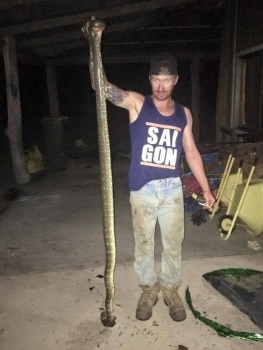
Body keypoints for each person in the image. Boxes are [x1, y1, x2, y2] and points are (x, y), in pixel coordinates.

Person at [83, 17, 215, 322]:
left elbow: (192, 152)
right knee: (143, 245)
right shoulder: (137, 104)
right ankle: (148, 290)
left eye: (166, 80)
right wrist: (94, 44)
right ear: (150, 78)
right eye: (156, 78)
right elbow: (99, 87)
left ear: (176, 81)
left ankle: (170, 290)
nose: (160, 85)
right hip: (142, 189)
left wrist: (206, 189)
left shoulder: (184, 114)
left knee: (173, 245)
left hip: (171, 189)